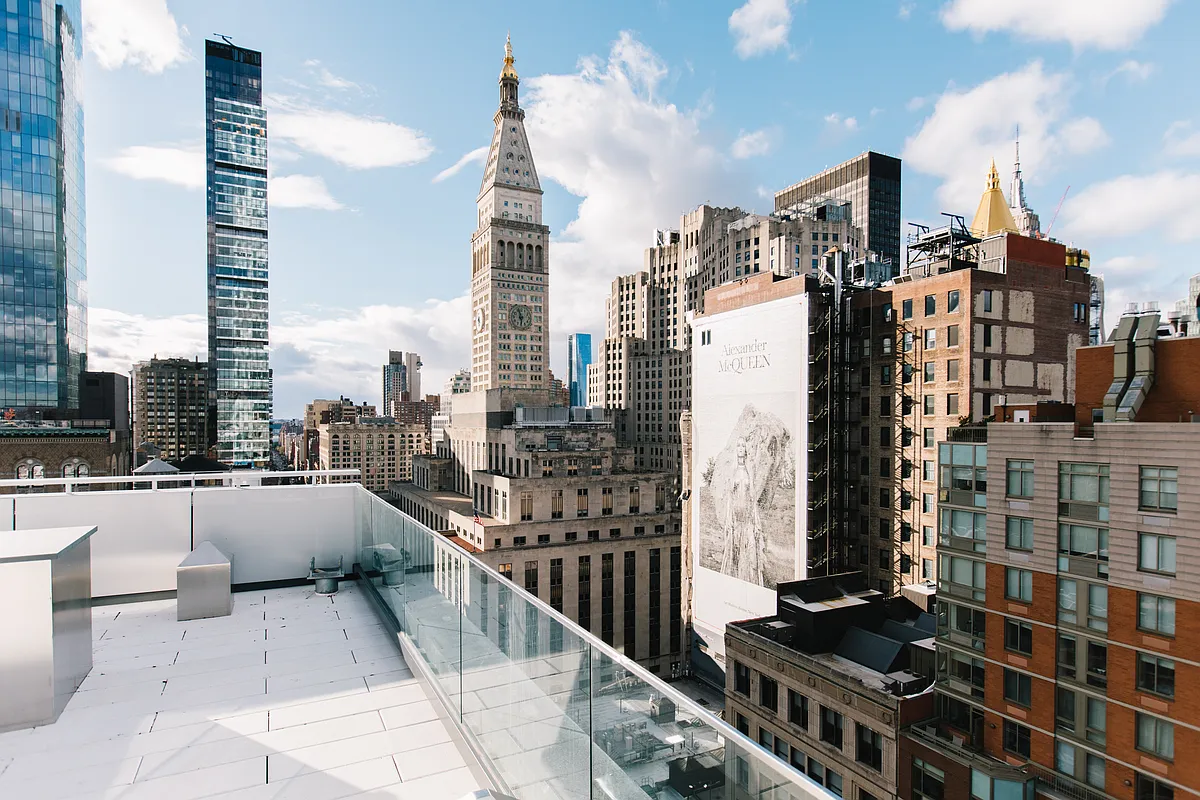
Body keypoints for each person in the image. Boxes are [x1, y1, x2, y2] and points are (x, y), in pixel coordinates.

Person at [720, 438, 765, 584]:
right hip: (735, 518)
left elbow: (752, 499)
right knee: (734, 551)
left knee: (749, 552)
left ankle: (749, 582)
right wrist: (729, 519)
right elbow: (729, 498)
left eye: (743, 446)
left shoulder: (748, 471)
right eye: (738, 445)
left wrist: (755, 520)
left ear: (746, 449)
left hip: (747, 519)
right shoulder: (732, 471)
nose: (740, 448)